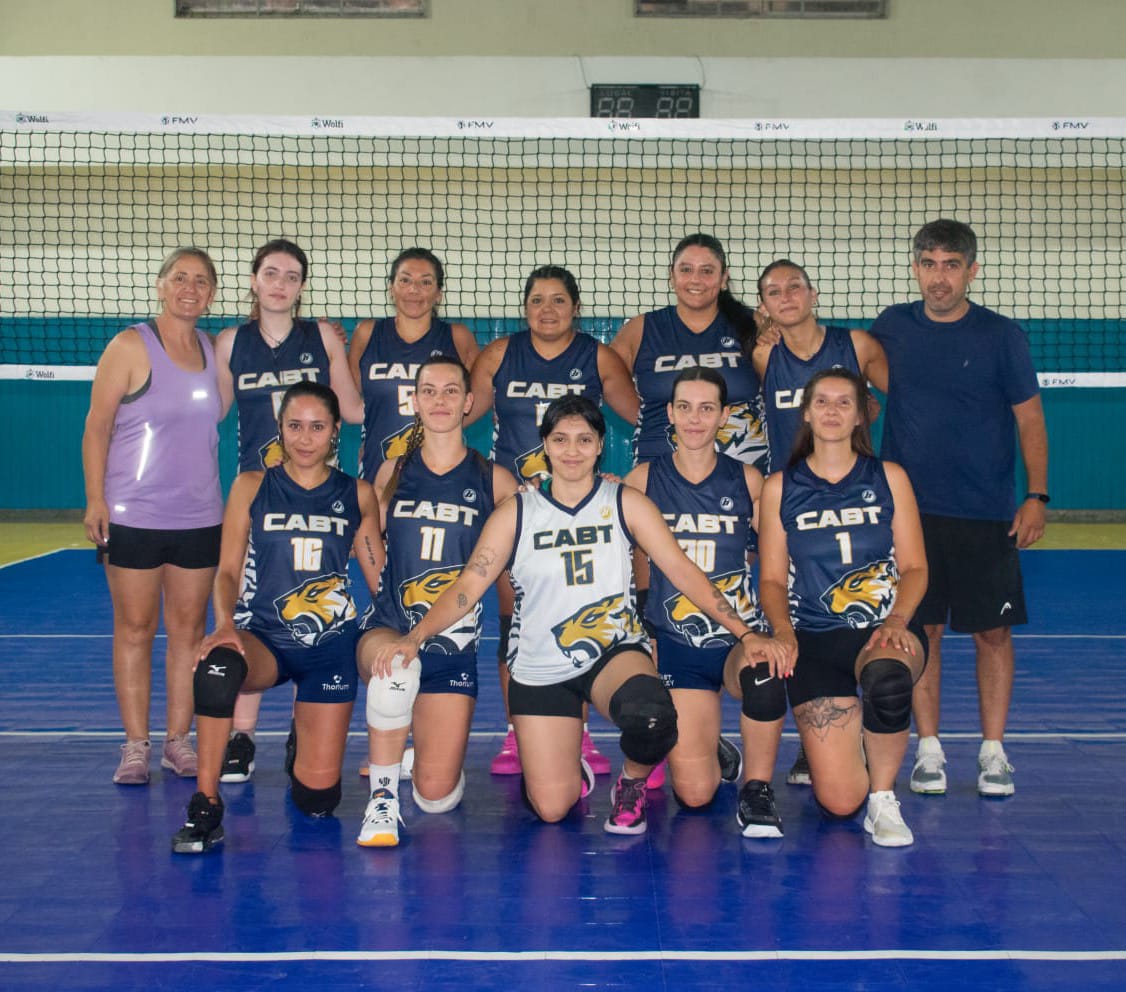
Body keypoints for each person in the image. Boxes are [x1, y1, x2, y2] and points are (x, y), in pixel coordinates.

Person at [369, 395, 787, 837]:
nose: (572, 450)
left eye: (584, 440)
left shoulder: (625, 502)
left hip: (613, 651)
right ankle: (570, 769)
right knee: (552, 808)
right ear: (545, 445)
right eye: (560, 439)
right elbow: (467, 587)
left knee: (651, 716)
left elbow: (684, 572)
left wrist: (746, 633)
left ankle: (630, 783)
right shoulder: (518, 511)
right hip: (539, 664)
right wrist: (415, 636)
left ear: (600, 445)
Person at [869, 219, 1048, 798]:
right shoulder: (892, 327)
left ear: (972, 270)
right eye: (929, 264)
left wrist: (1036, 495)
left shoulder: (1001, 336)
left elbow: (1029, 419)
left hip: (984, 511)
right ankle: (929, 750)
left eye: (951, 265)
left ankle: (993, 752)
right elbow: (849, 375)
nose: (939, 277)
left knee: (993, 633)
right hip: (909, 516)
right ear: (915, 268)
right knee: (921, 632)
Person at [171, 381, 384, 853]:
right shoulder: (251, 486)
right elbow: (228, 570)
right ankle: (206, 803)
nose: (305, 438)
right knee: (216, 667)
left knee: (317, 800)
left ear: (335, 431)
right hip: (264, 637)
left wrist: (400, 635)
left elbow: (379, 578)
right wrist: (225, 624)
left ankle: (301, 740)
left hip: (330, 646)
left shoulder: (358, 494)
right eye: (295, 426)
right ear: (280, 428)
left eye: (317, 427)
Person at [468, 265, 639, 778]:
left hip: (576, 509)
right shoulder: (499, 354)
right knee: (515, 621)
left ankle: (578, 732)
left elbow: (644, 418)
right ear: (525, 307)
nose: (548, 310)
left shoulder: (598, 356)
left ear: (576, 308)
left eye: (559, 300)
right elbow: (458, 414)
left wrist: (631, 477)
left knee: (573, 618)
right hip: (519, 510)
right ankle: (517, 731)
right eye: (538, 300)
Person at [747, 368, 929, 847]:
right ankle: (861, 755)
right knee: (840, 799)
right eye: (822, 402)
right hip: (814, 637)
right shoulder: (780, 487)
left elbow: (915, 567)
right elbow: (771, 579)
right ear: (806, 413)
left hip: (882, 631)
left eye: (844, 402)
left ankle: (884, 798)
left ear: (860, 415)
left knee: (887, 684)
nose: (832, 411)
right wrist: (783, 630)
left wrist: (898, 620)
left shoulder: (890, 478)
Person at [213, 238, 365, 783]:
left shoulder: (320, 336)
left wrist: (344, 355)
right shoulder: (230, 342)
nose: (280, 284)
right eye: (271, 273)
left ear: (302, 287)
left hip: (319, 497)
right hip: (260, 500)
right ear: (254, 280)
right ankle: (242, 735)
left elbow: (351, 409)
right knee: (251, 610)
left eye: (292, 276)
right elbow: (215, 409)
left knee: (314, 605)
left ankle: (306, 724)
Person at [355, 356, 518, 848]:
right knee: (395, 673)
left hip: (453, 642)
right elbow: (366, 533)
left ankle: (416, 758)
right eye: (429, 390)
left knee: (435, 796)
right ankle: (381, 802)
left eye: (451, 391)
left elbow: (522, 548)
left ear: (469, 402)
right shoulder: (394, 470)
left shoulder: (494, 479)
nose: (440, 400)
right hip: (391, 624)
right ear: (415, 401)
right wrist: (381, 584)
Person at [82, 247, 226, 786]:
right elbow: (96, 427)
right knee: (136, 629)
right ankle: (136, 745)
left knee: (189, 632)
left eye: (201, 281)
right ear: (162, 285)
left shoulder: (213, 351)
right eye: (180, 278)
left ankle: (177, 742)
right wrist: (96, 499)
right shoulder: (129, 345)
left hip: (200, 516)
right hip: (135, 514)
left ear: (212, 294)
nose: (190, 288)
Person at [624, 367, 781, 835]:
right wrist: (645, 628)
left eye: (707, 408)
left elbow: (775, 557)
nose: (695, 419)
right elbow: (629, 558)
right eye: (685, 408)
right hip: (676, 642)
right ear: (670, 413)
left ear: (724, 415)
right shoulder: (644, 478)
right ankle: (710, 742)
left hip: (738, 638)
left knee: (765, 675)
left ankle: (757, 788)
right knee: (695, 795)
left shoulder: (748, 480)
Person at [751, 257, 889, 789]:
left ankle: (871, 734)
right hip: (794, 507)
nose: (786, 297)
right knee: (800, 624)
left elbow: (892, 402)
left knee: (862, 618)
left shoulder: (857, 345)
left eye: (795, 287)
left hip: (854, 498)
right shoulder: (764, 354)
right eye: (774, 291)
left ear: (813, 294)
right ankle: (818, 742)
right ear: (764, 306)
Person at [610, 233, 768, 471]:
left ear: (723, 279)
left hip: (743, 473)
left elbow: (784, 384)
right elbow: (606, 379)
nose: (696, 279)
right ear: (672, 276)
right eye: (686, 269)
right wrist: (651, 417)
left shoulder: (754, 325)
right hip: (658, 470)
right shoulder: (641, 329)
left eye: (707, 271)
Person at [349, 247, 479, 484]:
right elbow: (353, 399)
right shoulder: (367, 333)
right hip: (377, 470)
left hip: (442, 471)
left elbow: (474, 402)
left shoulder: (458, 337)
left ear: (439, 294)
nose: (414, 289)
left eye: (425, 282)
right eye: (405, 280)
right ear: (391, 288)